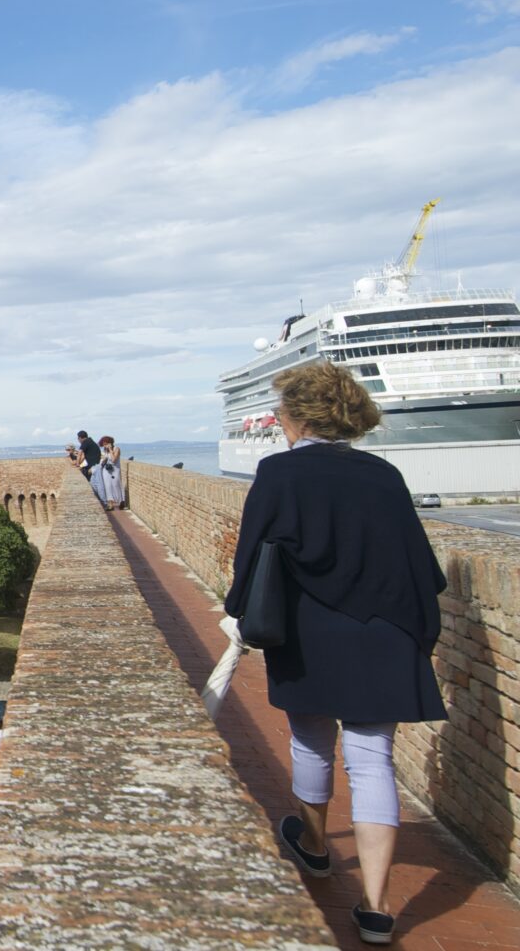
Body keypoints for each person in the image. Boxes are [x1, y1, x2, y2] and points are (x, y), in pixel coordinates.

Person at [225, 361, 447, 947]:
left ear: (294, 419)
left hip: (310, 634)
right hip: (384, 632)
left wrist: (239, 614)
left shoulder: (277, 474)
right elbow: (421, 568)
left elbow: (249, 561)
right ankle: (376, 907)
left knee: (311, 743)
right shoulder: (385, 475)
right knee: (374, 761)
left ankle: (317, 847)